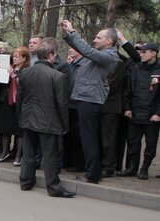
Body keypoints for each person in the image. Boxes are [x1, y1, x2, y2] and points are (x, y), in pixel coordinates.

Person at [60, 20, 121, 183]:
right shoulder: (100, 54)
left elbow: (86, 50)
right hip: (85, 98)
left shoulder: (109, 56)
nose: (95, 40)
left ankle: (92, 174)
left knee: (89, 138)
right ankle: (92, 171)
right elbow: (83, 50)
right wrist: (67, 34)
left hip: (90, 100)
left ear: (109, 41)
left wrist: (73, 32)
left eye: (98, 37)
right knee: (87, 137)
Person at [16, 39, 75, 197]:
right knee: (50, 156)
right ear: (50, 56)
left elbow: (19, 99)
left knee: (28, 153)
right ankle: (53, 187)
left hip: (28, 119)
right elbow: (62, 104)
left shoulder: (25, 73)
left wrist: (20, 118)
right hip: (49, 121)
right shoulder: (57, 76)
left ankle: (26, 182)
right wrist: (65, 125)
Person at [118, 41, 160, 178]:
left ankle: (144, 169)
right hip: (135, 114)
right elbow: (127, 91)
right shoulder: (135, 69)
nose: (140, 54)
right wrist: (127, 108)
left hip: (152, 116)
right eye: (140, 52)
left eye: (144, 52)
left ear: (153, 53)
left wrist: (158, 114)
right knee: (132, 143)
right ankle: (131, 169)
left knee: (150, 145)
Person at [0, 46, 31, 163]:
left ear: (24, 58)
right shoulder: (10, 67)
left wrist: (14, 76)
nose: (14, 59)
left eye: (17, 57)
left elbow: (25, 85)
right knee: (5, 128)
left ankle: (18, 156)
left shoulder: (27, 70)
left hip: (19, 103)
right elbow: (0, 83)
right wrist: (0, 71)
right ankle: (4, 152)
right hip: (6, 100)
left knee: (19, 131)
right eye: (13, 57)